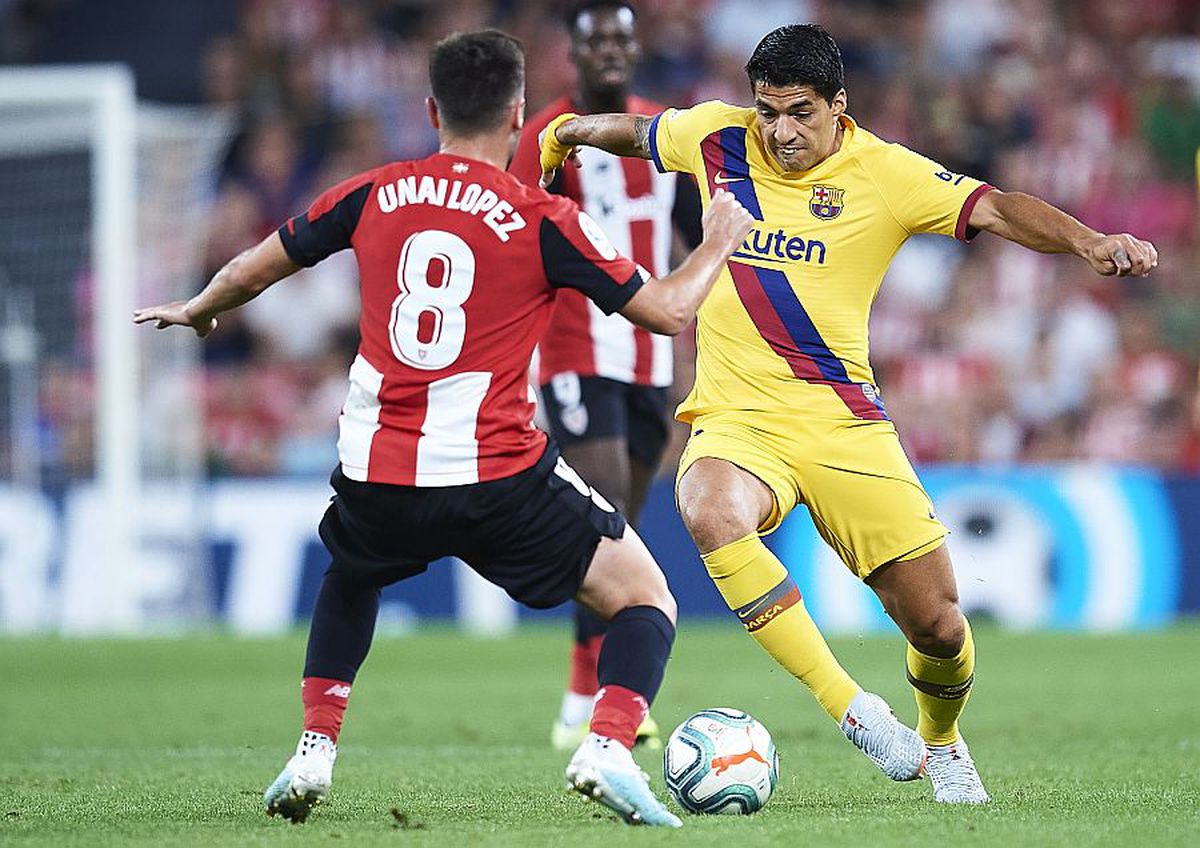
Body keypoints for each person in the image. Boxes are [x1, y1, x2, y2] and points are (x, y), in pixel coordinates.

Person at [135, 29, 753, 828]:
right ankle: (603, 746)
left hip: (379, 467)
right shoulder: (542, 215)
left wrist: (199, 307)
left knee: (350, 575)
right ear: (519, 114)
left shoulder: (373, 191)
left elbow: (265, 260)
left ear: (431, 109)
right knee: (645, 596)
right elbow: (668, 312)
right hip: (497, 472)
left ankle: (314, 750)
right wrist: (713, 243)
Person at [537, 23, 1158, 804]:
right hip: (737, 419)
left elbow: (996, 209)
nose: (779, 130)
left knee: (938, 629)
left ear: (839, 105)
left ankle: (942, 741)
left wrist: (1090, 242)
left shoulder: (887, 173)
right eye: (767, 111)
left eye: (798, 112)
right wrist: (567, 131)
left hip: (844, 425)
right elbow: (635, 131)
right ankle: (854, 709)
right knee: (707, 506)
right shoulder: (716, 136)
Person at [508, 0, 702, 753]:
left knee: (624, 522)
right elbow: (515, 233)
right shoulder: (544, 140)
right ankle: (595, 701)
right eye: (599, 42)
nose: (614, 52)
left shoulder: (664, 132)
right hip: (573, 350)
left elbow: (695, 229)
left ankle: (582, 691)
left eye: (624, 38)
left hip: (651, 357)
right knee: (608, 515)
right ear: (575, 54)